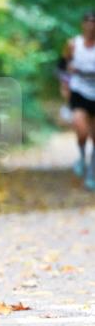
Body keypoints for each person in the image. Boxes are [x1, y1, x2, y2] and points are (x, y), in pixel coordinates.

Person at [63, 10, 95, 191]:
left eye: (94, 22)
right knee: (82, 131)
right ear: (83, 24)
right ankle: (82, 158)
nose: (91, 25)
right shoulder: (74, 44)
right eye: (88, 21)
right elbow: (61, 66)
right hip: (79, 92)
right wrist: (65, 82)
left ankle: (91, 175)